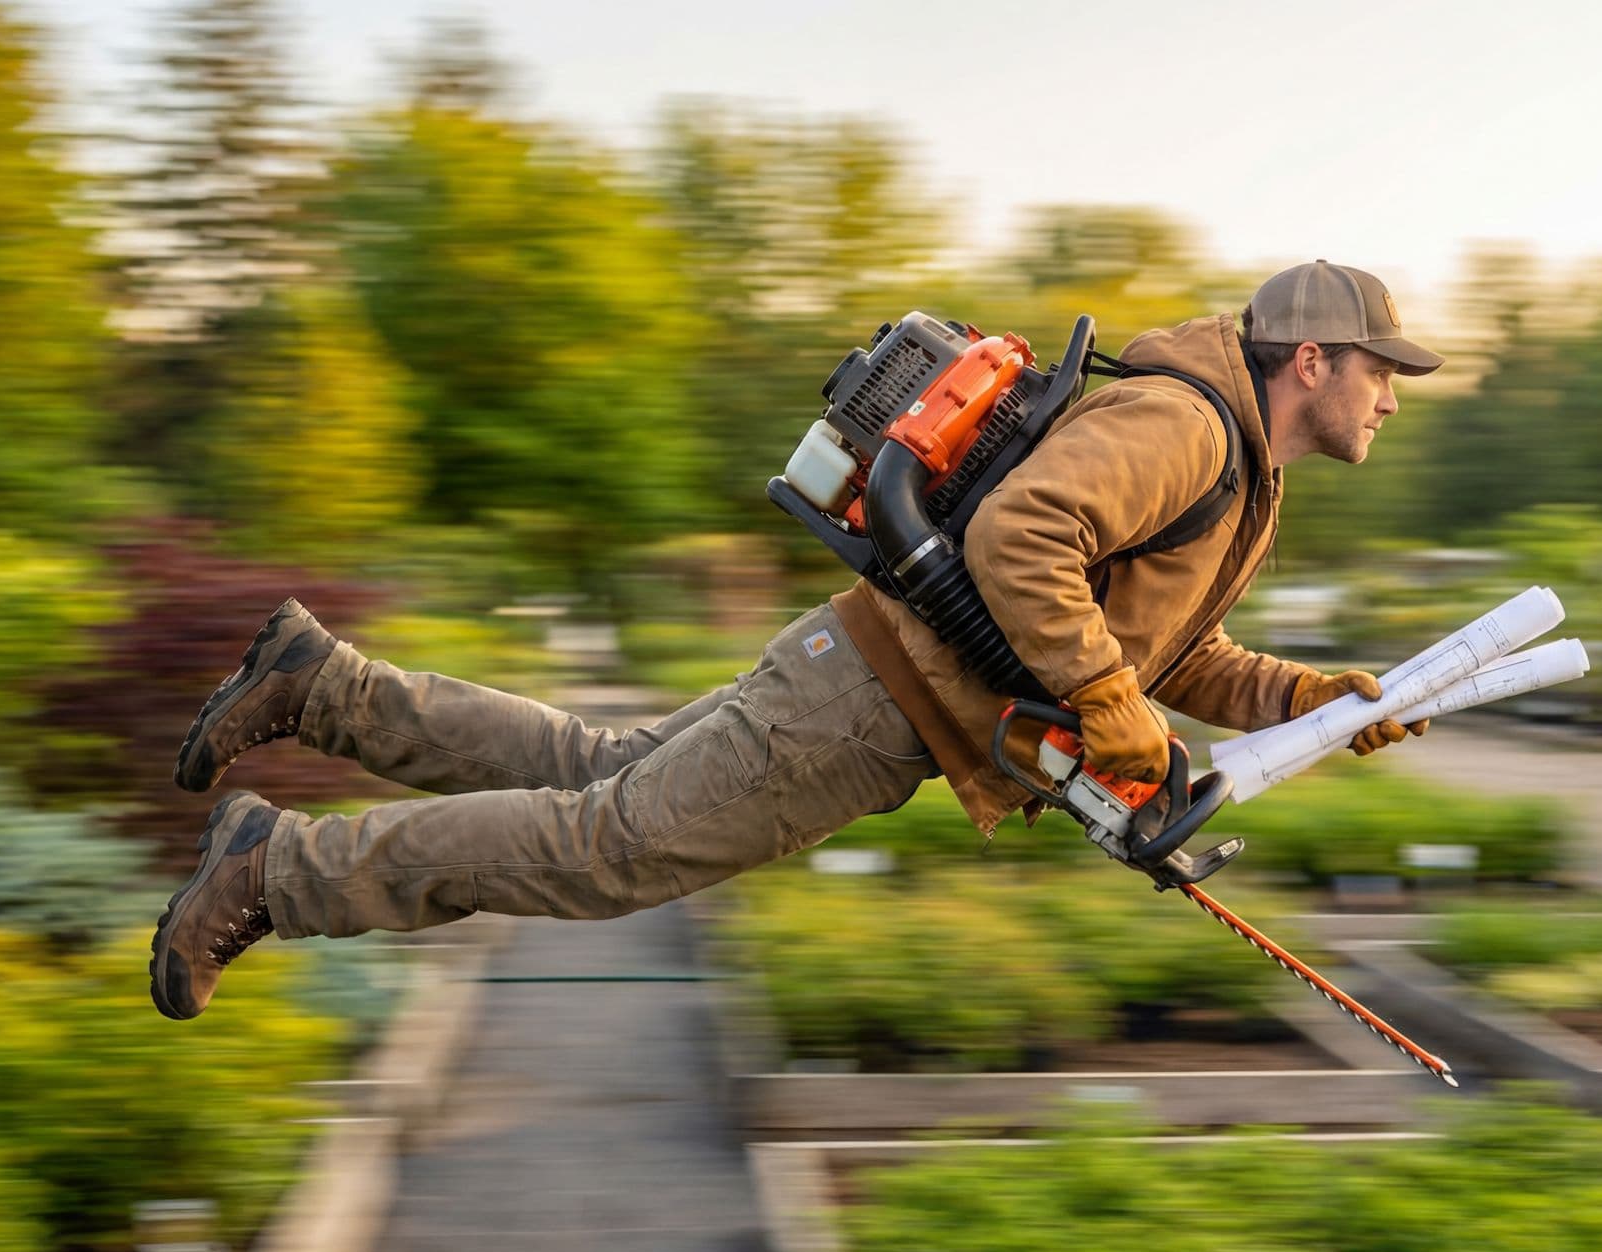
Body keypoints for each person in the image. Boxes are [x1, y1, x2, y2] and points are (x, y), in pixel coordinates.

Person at [149, 260, 1445, 1020]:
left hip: (866, 669)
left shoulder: (1220, 453)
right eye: (1382, 367)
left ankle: (319, 688)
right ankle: (278, 871)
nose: (1393, 392)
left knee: (592, 772)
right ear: (1315, 358)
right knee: (606, 850)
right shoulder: (1190, 426)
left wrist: (1299, 695)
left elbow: (1143, 644)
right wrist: (1108, 699)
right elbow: (1026, 544)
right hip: (872, 707)